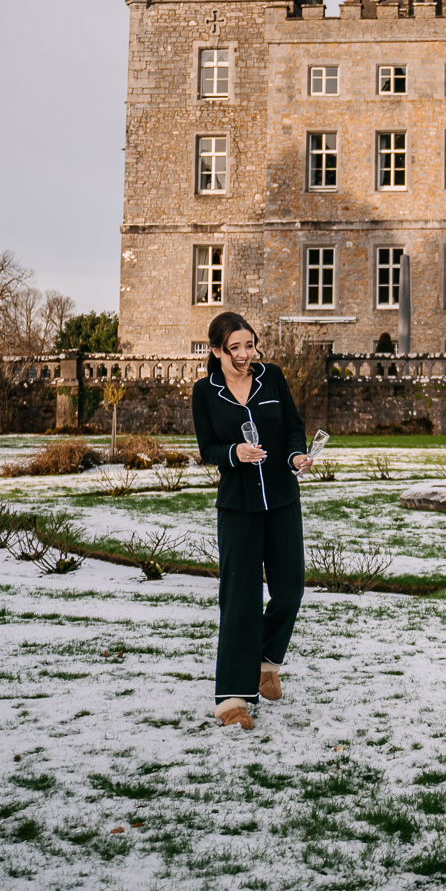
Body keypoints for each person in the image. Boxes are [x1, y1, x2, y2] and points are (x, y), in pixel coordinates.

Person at [191, 312, 314, 730]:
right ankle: (232, 699)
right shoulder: (204, 392)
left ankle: (266, 661)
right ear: (216, 351)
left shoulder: (273, 378)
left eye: (250, 345)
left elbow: (294, 429)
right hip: (238, 507)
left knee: (290, 589)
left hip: (281, 500)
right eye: (235, 348)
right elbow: (207, 447)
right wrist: (233, 454)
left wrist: (297, 455)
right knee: (240, 600)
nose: (245, 355)